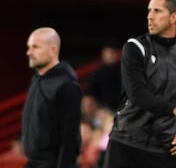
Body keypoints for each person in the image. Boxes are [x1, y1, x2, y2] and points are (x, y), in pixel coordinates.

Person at [102, 0, 176, 168]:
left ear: (173, 17)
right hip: (125, 144)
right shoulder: (135, 47)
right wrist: (175, 109)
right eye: (149, 11)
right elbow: (137, 93)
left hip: (163, 148)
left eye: (157, 11)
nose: (150, 16)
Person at [22, 27, 82, 168]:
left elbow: (70, 138)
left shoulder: (67, 84)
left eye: (35, 47)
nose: (29, 52)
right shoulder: (36, 80)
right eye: (29, 47)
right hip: (32, 163)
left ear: (53, 50)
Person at [87, 44, 122, 112]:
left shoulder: (123, 71)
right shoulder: (97, 73)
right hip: (102, 109)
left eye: (113, 53)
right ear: (103, 54)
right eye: (108, 53)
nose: (111, 56)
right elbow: (91, 93)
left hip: (121, 108)